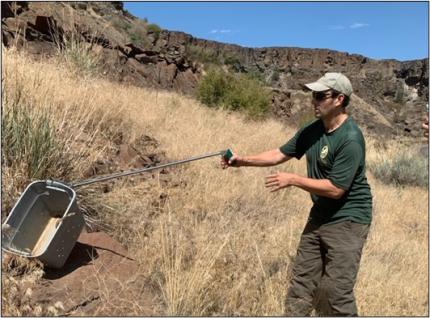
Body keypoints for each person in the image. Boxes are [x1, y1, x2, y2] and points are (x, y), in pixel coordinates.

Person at [221, 72, 372, 316]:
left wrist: (292, 179)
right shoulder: (314, 130)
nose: (314, 101)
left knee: (335, 292)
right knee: (301, 282)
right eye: (313, 95)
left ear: (339, 100)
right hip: (320, 215)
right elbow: (280, 154)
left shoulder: (351, 138)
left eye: (321, 96)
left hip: (348, 219)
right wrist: (241, 161)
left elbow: (336, 189)